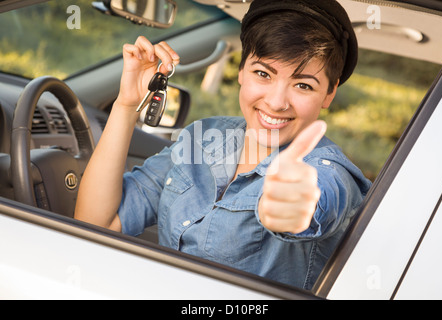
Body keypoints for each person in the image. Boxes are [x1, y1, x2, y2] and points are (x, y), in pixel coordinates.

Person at [75, 0, 372, 290]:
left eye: (303, 85)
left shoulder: (330, 174)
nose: (277, 102)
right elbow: (96, 222)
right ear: (241, 71)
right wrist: (127, 105)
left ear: (330, 93)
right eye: (263, 74)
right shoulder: (204, 135)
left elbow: (316, 203)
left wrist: (289, 209)